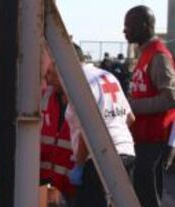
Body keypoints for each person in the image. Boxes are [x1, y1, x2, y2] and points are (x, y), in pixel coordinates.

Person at [66, 44, 136, 207]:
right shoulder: (107, 76)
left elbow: (87, 129)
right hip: (126, 152)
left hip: (99, 159)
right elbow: (130, 117)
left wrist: (80, 164)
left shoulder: (79, 81)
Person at [124, 5, 175, 207]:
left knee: (149, 196)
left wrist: (133, 106)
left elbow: (170, 98)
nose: (124, 30)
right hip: (142, 138)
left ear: (144, 26)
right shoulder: (145, 53)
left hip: (154, 140)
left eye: (129, 26)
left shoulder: (158, 55)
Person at [40, 62, 76, 206]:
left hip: (72, 182)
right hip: (46, 178)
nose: (46, 78)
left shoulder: (82, 102)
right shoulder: (45, 96)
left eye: (51, 74)